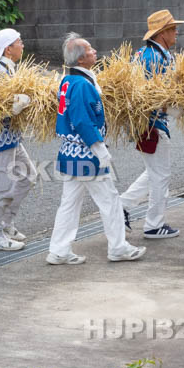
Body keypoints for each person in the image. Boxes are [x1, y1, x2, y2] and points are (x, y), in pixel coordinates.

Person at [47, 33, 146, 265]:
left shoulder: (68, 80)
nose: (94, 51)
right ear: (81, 59)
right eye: (90, 49)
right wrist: (99, 148)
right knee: (110, 200)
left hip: (69, 152)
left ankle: (59, 250)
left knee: (69, 203)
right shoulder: (82, 84)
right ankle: (118, 248)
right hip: (86, 153)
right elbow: (82, 120)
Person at [119, 10, 184, 239]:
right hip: (152, 124)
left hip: (147, 122)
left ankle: (121, 206)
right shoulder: (154, 58)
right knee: (160, 176)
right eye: (173, 28)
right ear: (162, 33)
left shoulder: (147, 53)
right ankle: (154, 225)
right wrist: (174, 107)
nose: (177, 32)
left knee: (154, 171)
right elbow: (149, 97)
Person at [0, 28, 34, 252]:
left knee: (28, 176)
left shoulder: (9, 69)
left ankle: (6, 223)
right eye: (19, 42)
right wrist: (20, 104)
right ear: (8, 49)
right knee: (2, 187)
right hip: (0, 138)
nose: (22, 45)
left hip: (12, 136)